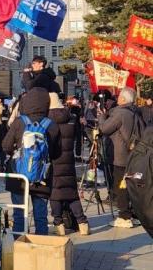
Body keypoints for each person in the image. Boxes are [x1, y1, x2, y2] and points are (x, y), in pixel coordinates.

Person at [2, 87, 61, 235]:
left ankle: (18, 246)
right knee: (41, 217)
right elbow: (57, 153)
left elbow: (5, 146)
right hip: (42, 177)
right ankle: (39, 248)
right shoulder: (52, 125)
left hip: (18, 176)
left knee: (19, 214)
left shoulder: (19, 122)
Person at [99, 87, 143, 228]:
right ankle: (134, 214)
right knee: (132, 185)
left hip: (121, 156)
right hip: (135, 155)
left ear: (123, 99)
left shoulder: (120, 113)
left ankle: (124, 216)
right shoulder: (136, 111)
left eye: (119, 97)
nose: (117, 99)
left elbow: (105, 129)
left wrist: (102, 116)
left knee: (120, 185)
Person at [48, 93, 89, 236]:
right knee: (72, 193)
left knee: (55, 194)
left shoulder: (47, 119)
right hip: (68, 160)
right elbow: (78, 135)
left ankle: (59, 225)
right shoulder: (71, 117)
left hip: (53, 160)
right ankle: (83, 223)